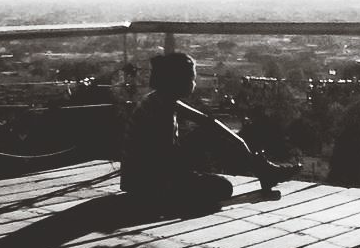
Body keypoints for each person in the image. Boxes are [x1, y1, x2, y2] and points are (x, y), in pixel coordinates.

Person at [121, 51, 297, 207]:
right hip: (150, 183)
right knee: (222, 188)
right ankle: (265, 172)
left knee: (209, 136)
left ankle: (263, 170)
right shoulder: (162, 111)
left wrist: (240, 142)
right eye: (191, 79)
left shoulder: (159, 99)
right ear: (177, 81)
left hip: (139, 179)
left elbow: (205, 121)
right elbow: (166, 158)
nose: (194, 84)